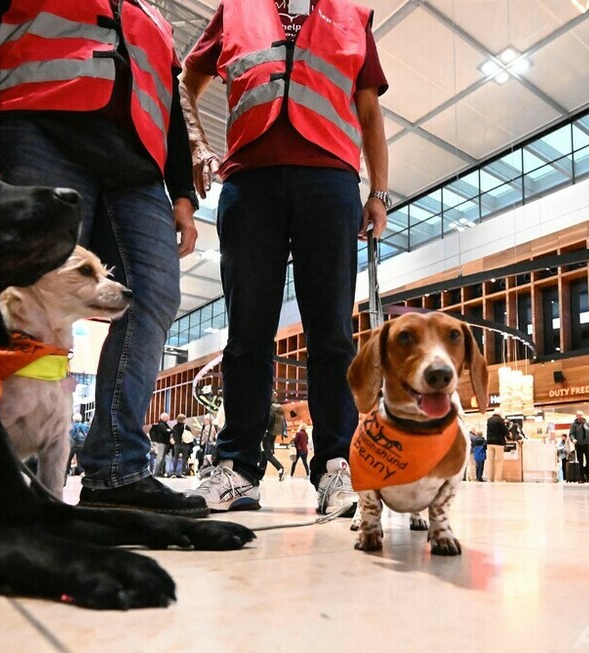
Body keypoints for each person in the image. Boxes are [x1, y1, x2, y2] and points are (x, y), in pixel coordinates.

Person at [0, 0, 208, 518]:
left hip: (139, 166)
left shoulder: (153, 17)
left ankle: (116, 469)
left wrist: (181, 194)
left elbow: (169, 102)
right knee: (16, 284)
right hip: (38, 125)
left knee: (152, 294)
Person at [181, 0, 390, 515]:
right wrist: (195, 144)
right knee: (247, 334)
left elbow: (369, 110)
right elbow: (185, 79)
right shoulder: (235, 10)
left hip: (331, 182)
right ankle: (237, 470)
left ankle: (337, 466)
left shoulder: (353, 15)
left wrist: (379, 193)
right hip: (248, 182)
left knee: (333, 336)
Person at [261, 400, 287, 482]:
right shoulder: (277, 408)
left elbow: (268, 420)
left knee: (268, 455)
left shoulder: (270, 408)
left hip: (267, 434)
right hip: (273, 434)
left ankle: (280, 468)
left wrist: (264, 430)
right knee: (264, 454)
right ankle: (260, 474)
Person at [569, 410, 589, 483]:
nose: (581, 417)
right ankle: (581, 477)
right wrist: (573, 439)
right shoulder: (574, 425)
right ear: (576, 416)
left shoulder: (587, 423)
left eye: (582, 415)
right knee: (580, 461)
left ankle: (587, 472)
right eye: (579, 415)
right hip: (579, 445)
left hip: (587, 444)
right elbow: (571, 434)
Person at [486, 410, 510, 482]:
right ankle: (497, 479)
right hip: (498, 442)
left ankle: (490, 478)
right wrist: (509, 434)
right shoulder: (500, 420)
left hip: (489, 442)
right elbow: (504, 431)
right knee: (499, 461)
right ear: (500, 413)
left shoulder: (489, 420)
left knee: (490, 461)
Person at [148, 413, 174, 478]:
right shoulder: (161, 425)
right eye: (167, 417)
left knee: (162, 458)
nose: (168, 418)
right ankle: (156, 473)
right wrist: (169, 431)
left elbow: (169, 431)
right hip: (161, 443)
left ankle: (160, 472)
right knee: (160, 458)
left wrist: (169, 430)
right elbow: (166, 431)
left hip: (164, 443)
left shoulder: (164, 424)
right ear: (163, 417)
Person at [171, 414, 192, 478]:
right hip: (185, 444)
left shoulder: (175, 427)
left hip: (177, 444)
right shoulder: (186, 427)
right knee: (184, 459)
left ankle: (173, 472)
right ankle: (183, 472)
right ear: (183, 419)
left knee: (175, 458)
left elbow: (173, 435)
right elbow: (190, 435)